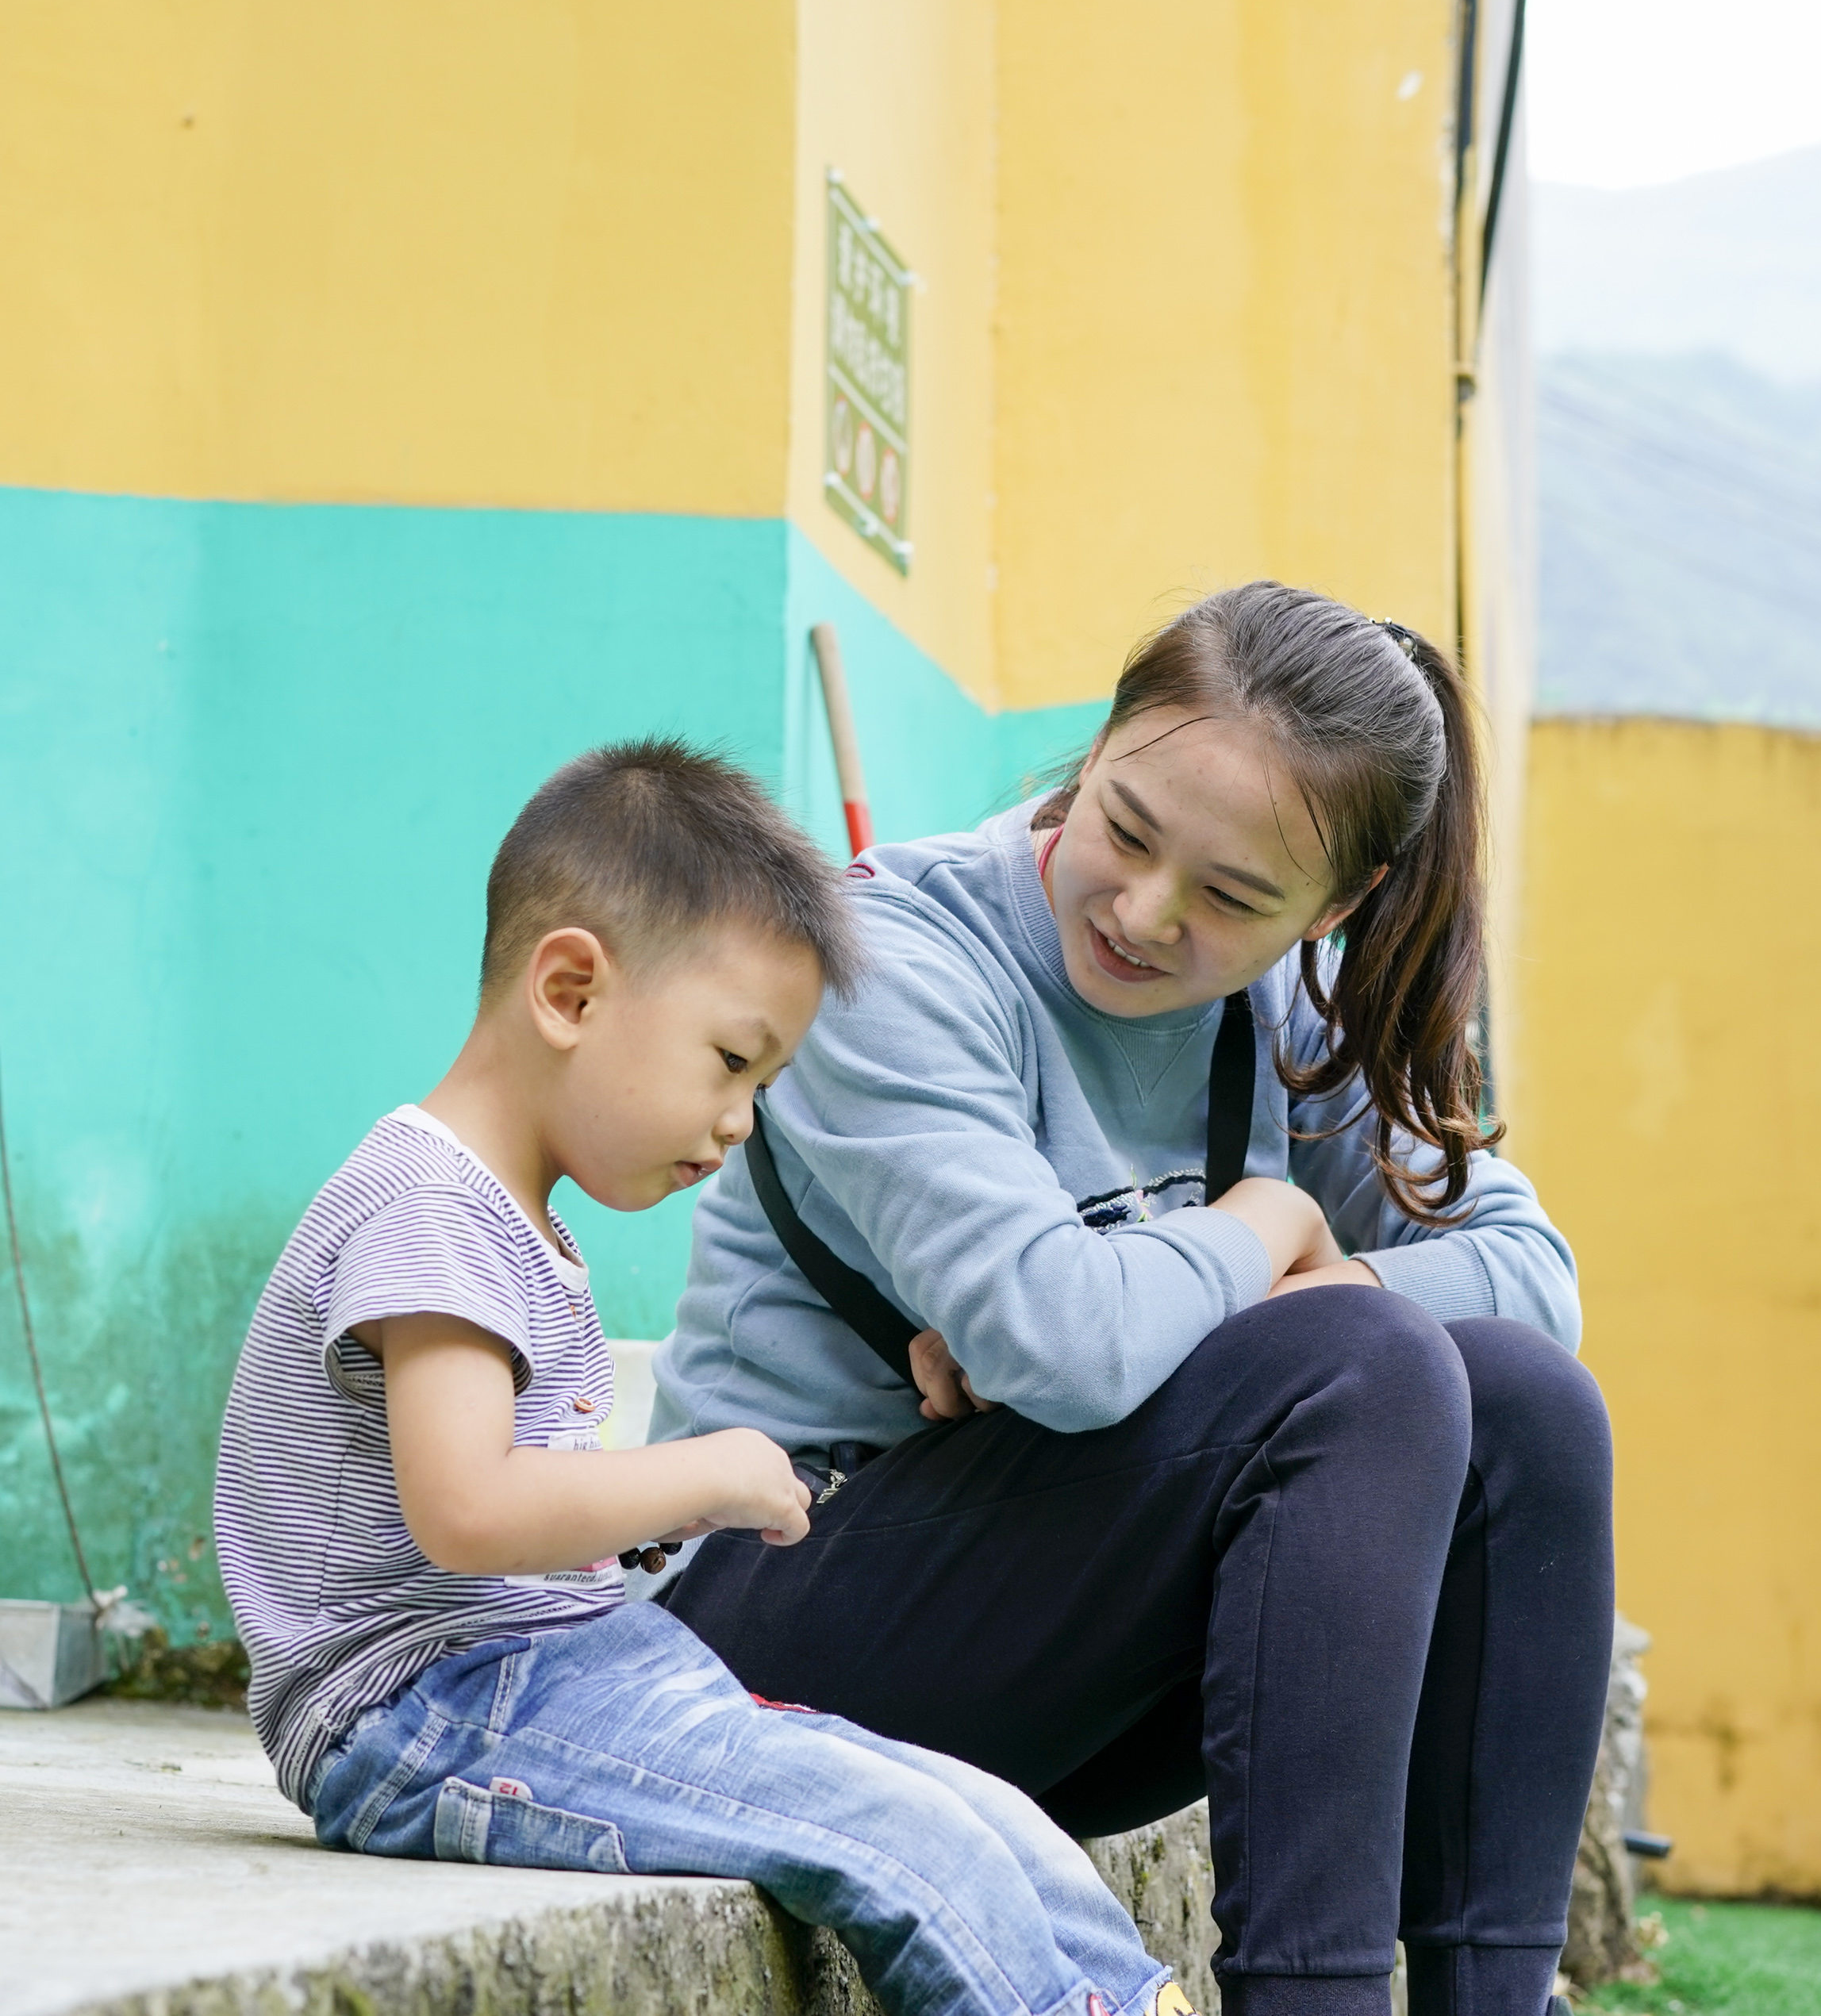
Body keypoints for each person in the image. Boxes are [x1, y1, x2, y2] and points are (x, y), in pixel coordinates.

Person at [650, 585, 1615, 2016]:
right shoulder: (891, 957)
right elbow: (1063, 1339)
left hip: (1053, 1653)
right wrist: (1264, 1223)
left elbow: (1535, 1276)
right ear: (1097, 748)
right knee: (1358, 1359)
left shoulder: (1284, 1018)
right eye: (1127, 827)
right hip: (770, 1623)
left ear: (1334, 908)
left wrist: (1215, 1292)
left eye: (1233, 898)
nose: (1144, 912)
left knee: (1526, 1405)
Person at [213, 741, 1178, 2016]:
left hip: (535, 1669)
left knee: (965, 1803)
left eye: (763, 1083)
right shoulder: (433, 1205)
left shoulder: (499, 1212)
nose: (741, 1120)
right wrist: (699, 1474)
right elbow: (468, 1509)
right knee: (892, 1834)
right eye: (732, 1062)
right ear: (570, 990)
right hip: (424, 1708)